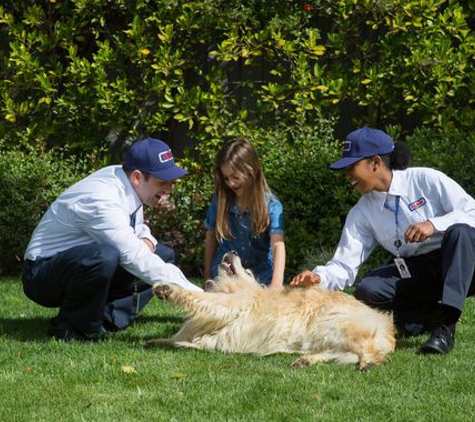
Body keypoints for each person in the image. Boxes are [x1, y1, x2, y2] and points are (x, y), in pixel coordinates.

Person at [291, 126, 475, 355]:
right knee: (368, 289)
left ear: (375, 163)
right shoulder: (361, 213)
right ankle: (425, 317)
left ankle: (445, 327)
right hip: (418, 270)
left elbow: (472, 211)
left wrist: (434, 224)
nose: (347, 175)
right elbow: (344, 264)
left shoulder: (426, 179)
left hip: (461, 262)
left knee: (461, 233)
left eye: (351, 167)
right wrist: (319, 277)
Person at [22, 138, 202, 342]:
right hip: (41, 275)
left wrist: (148, 239)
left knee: (163, 254)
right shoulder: (102, 199)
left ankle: (107, 320)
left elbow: (136, 228)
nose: (169, 189)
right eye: (162, 182)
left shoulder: (126, 180)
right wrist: (202, 300)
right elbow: (133, 255)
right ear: (137, 177)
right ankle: (69, 327)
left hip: (74, 264)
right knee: (106, 256)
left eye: (171, 182)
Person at [204, 138, 286, 289]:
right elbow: (211, 236)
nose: (231, 183)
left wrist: (276, 284)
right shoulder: (220, 202)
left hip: (260, 273)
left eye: (235, 177)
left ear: (252, 171)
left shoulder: (271, 206)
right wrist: (208, 275)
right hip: (226, 272)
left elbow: (277, 245)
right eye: (226, 178)